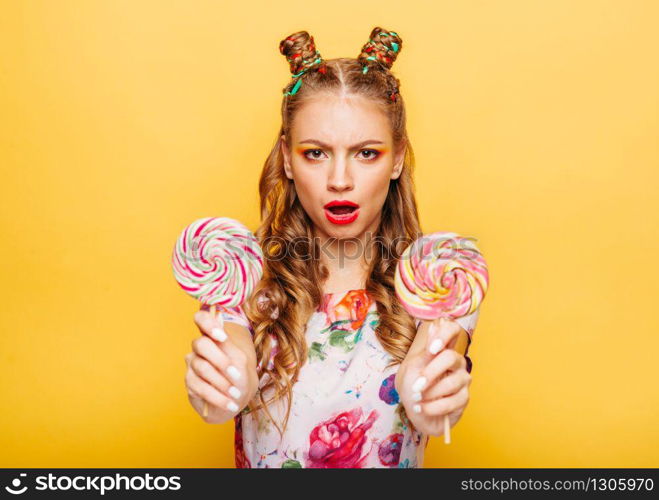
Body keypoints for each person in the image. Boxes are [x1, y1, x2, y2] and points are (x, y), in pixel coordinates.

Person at [184, 27, 481, 468]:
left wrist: (433, 402)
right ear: (287, 158)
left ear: (397, 157)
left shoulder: (439, 276)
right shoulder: (239, 270)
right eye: (315, 153)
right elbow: (232, 368)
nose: (339, 179)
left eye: (366, 153)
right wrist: (222, 389)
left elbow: (429, 386)